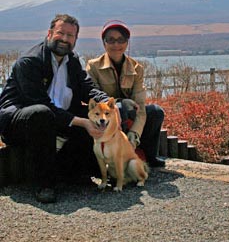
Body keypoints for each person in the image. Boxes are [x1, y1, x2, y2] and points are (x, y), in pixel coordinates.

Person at [0, 14, 110, 203]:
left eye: (71, 35)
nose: (65, 39)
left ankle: (74, 172)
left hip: (56, 118)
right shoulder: (29, 62)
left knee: (94, 116)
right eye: (61, 33)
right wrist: (81, 122)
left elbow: (87, 88)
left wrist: (108, 103)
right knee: (42, 114)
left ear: (76, 39)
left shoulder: (72, 60)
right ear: (50, 33)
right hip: (20, 122)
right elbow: (39, 103)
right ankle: (44, 184)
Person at [86, 20, 165, 168]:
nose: (116, 45)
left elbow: (140, 106)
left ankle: (149, 155)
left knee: (155, 111)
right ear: (104, 43)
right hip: (105, 119)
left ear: (127, 43)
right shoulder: (93, 66)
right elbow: (94, 100)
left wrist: (134, 135)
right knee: (120, 107)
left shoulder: (137, 68)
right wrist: (119, 102)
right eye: (111, 40)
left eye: (121, 40)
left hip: (130, 115)